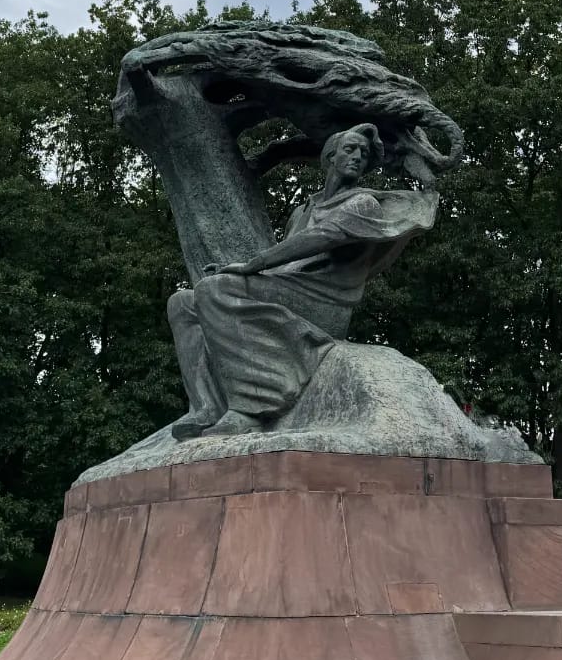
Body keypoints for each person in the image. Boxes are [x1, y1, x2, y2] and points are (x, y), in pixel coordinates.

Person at [167, 122, 437, 438]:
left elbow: (321, 238)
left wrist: (251, 266)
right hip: (294, 290)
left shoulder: (361, 203)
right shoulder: (302, 211)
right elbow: (289, 265)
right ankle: (206, 407)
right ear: (330, 157)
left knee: (215, 290)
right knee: (182, 302)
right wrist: (240, 272)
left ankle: (250, 408)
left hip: (326, 302)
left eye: (363, 154)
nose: (357, 157)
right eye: (350, 149)